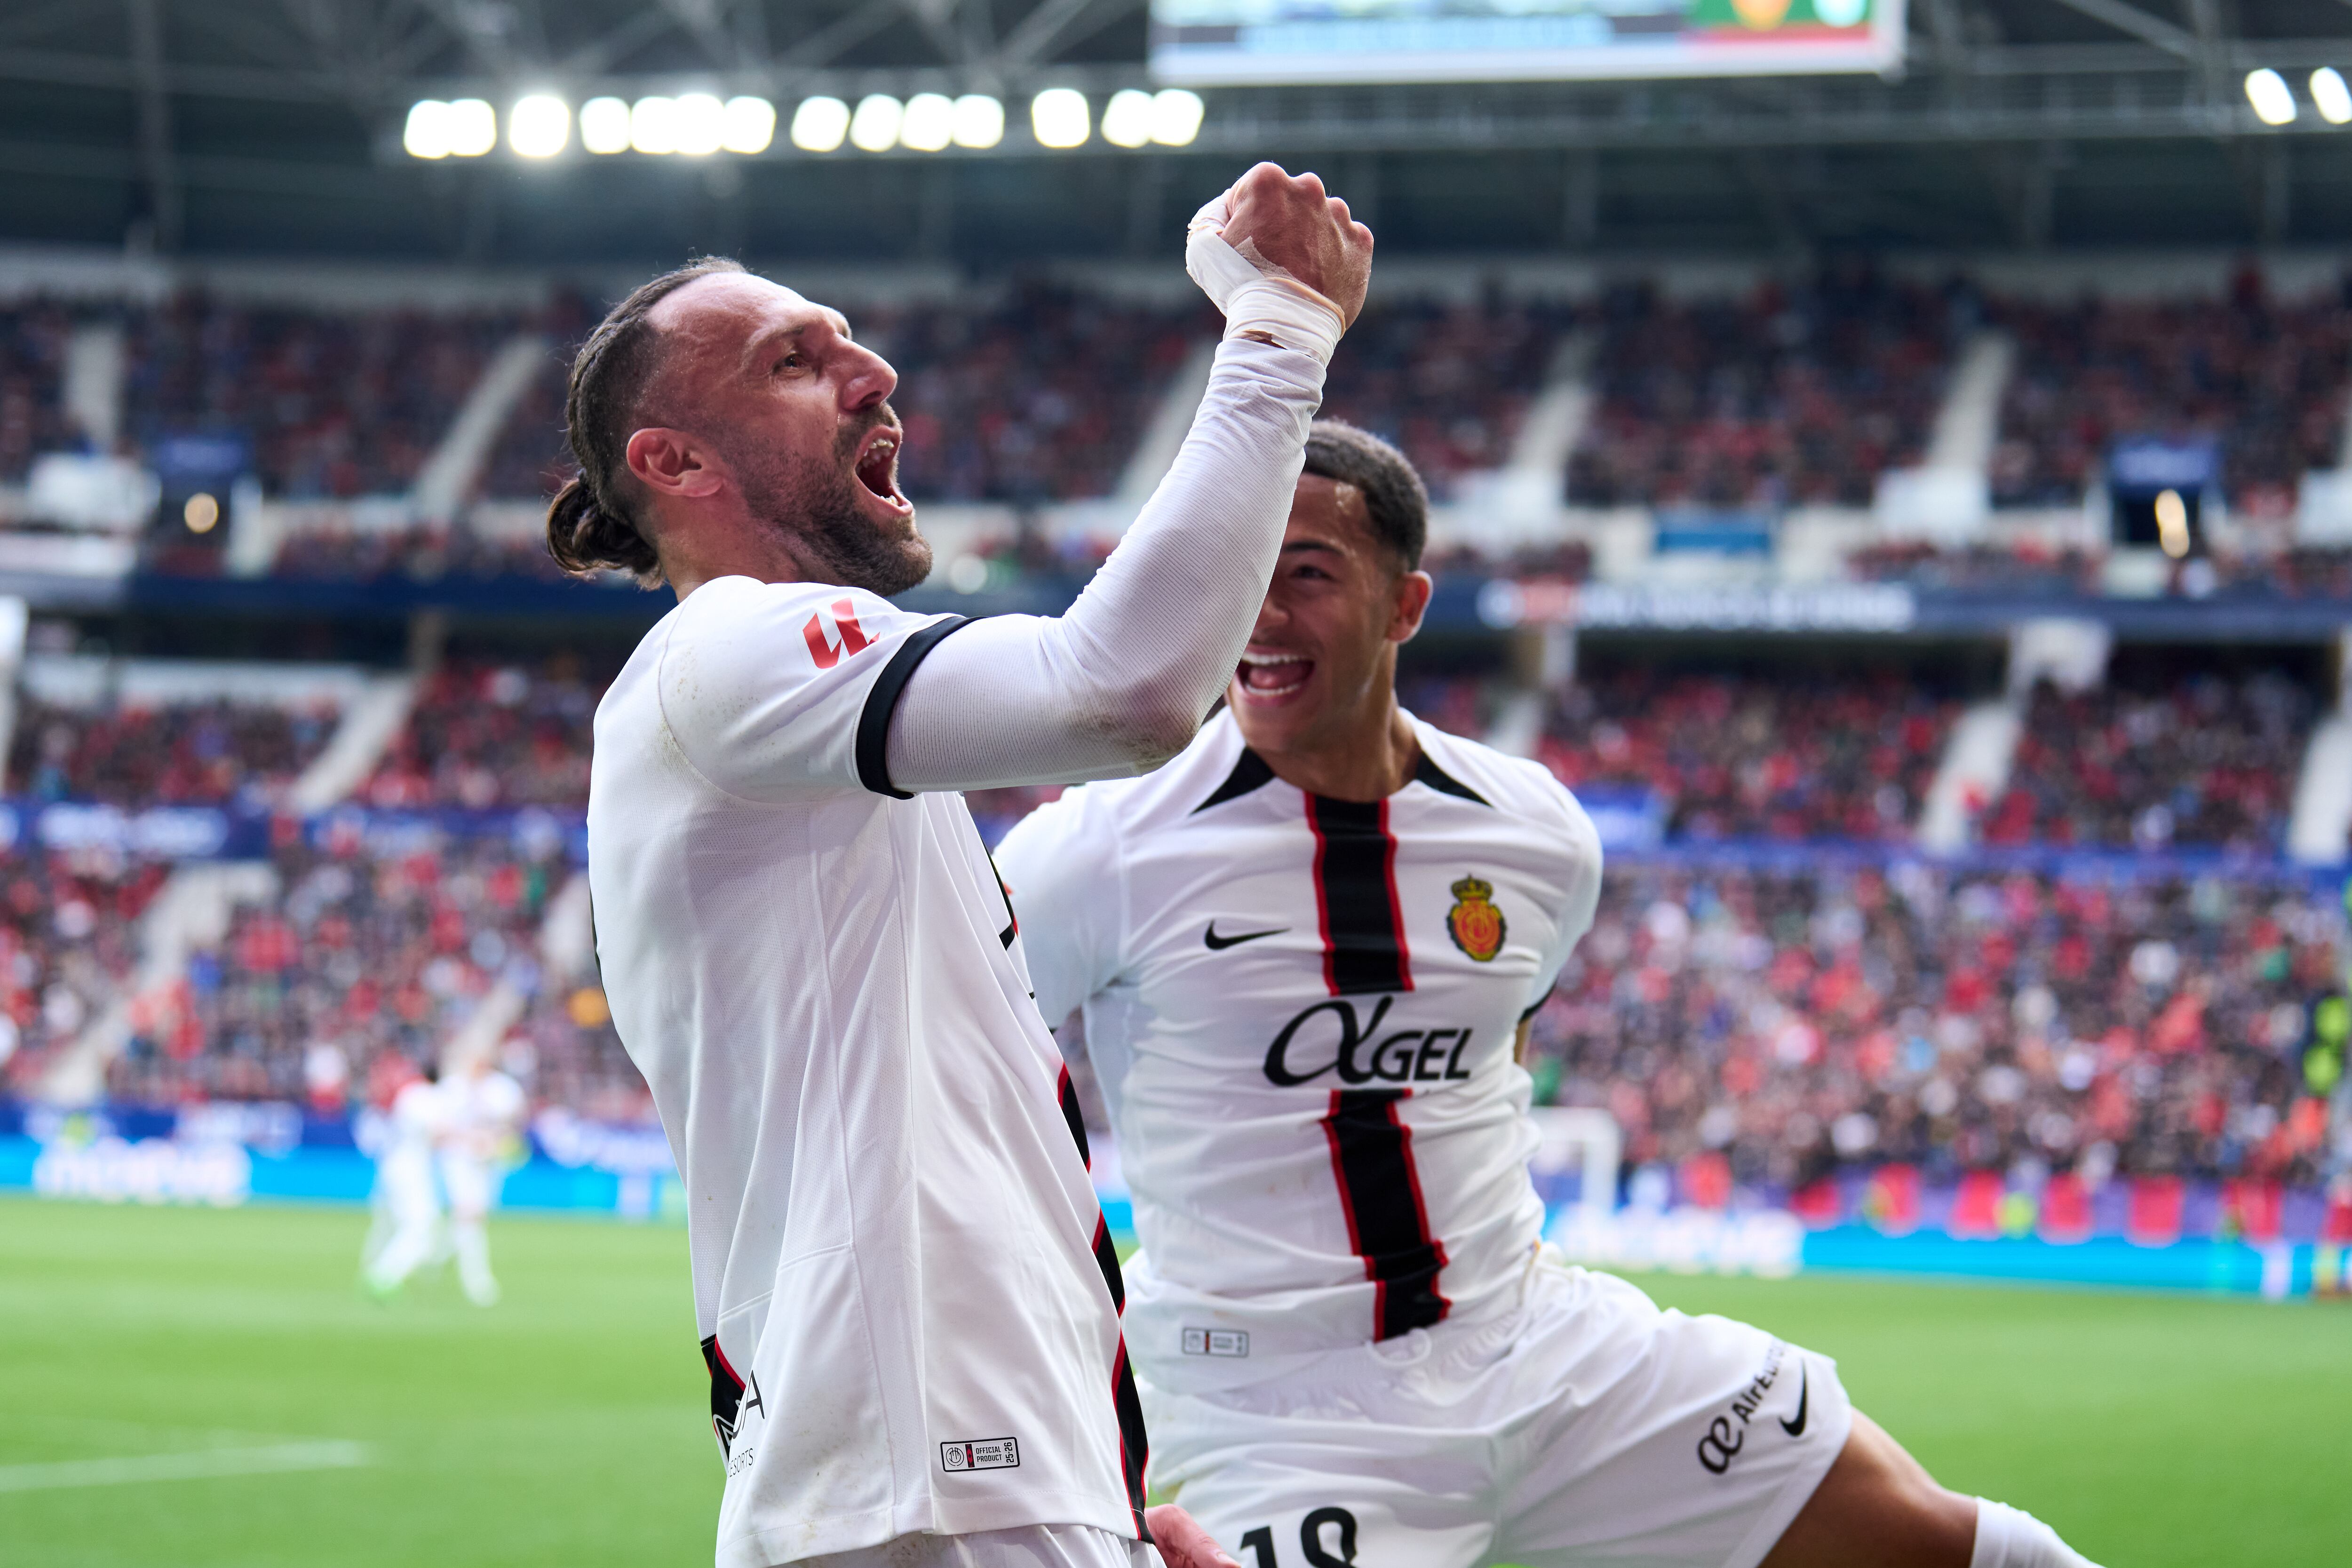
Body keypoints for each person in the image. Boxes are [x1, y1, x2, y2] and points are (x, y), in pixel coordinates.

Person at [994, 422, 2105, 1568]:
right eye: (1238, 581)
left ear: (1404, 607)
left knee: (1956, 1546)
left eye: (1308, 577)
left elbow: (1496, 1050)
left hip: (1543, 1352)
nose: (1260, 619)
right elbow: (946, 1077)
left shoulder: (1536, 835)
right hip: (1286, 1420)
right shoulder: (1100, 851)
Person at [559, 164, 1373, 1568]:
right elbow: (1120, 687)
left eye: (847, 337)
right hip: (934, 1482)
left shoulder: (816, 757)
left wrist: (1104, 1513)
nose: (871, 367)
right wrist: (1279, 327)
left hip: (958, 1477)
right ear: (673, 464)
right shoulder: (727, 649)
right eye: (793, 360)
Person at [436, 1050, 527, 1307]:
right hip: (458, 1159)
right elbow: (440, 1128)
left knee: (476, 1214)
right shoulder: (451, 1088)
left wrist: (496, 1142)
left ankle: (437, 1256)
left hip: (488, 1163)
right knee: (469, 1215)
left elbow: (514, 1124)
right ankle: (477, 1280)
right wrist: (470, 1139)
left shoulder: (504, 1089)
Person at [362, 1060, 447, 1299]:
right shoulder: (430, 1097)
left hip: (394, 1164)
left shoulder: (409, 1094)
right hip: (412, 1169)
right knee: (421, 1227)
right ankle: (384, 1275)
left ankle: (376, 1269)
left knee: (388, 1224)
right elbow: (438, 1133)